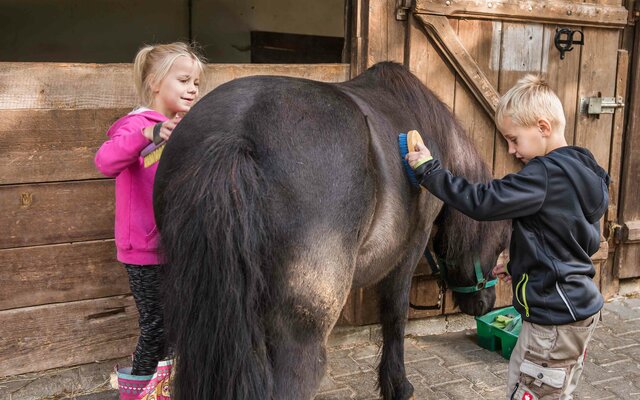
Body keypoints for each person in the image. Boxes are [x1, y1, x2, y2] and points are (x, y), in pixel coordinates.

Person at [405, 75, 609, 400]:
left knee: (532, 391)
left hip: (552, 320)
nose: (512, 150)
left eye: (513, 139)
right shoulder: (585, 169)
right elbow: (572, 242)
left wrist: (430, 171)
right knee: (554, 390)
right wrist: (519, 265)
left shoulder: (543, 175)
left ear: (543, 127)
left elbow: (482, 201)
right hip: (577, 311)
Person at [95, 42, 206, 379]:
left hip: (174, 245)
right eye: (184, 80)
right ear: (156, 82)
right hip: (143, 249)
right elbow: (105, 162)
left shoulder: (185, 127)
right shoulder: (136, 125)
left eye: (196, 83)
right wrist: (149, 133)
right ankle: (137, 391)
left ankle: (163, 389)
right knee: (156, 329)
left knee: (176, 331)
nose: (192, 89)